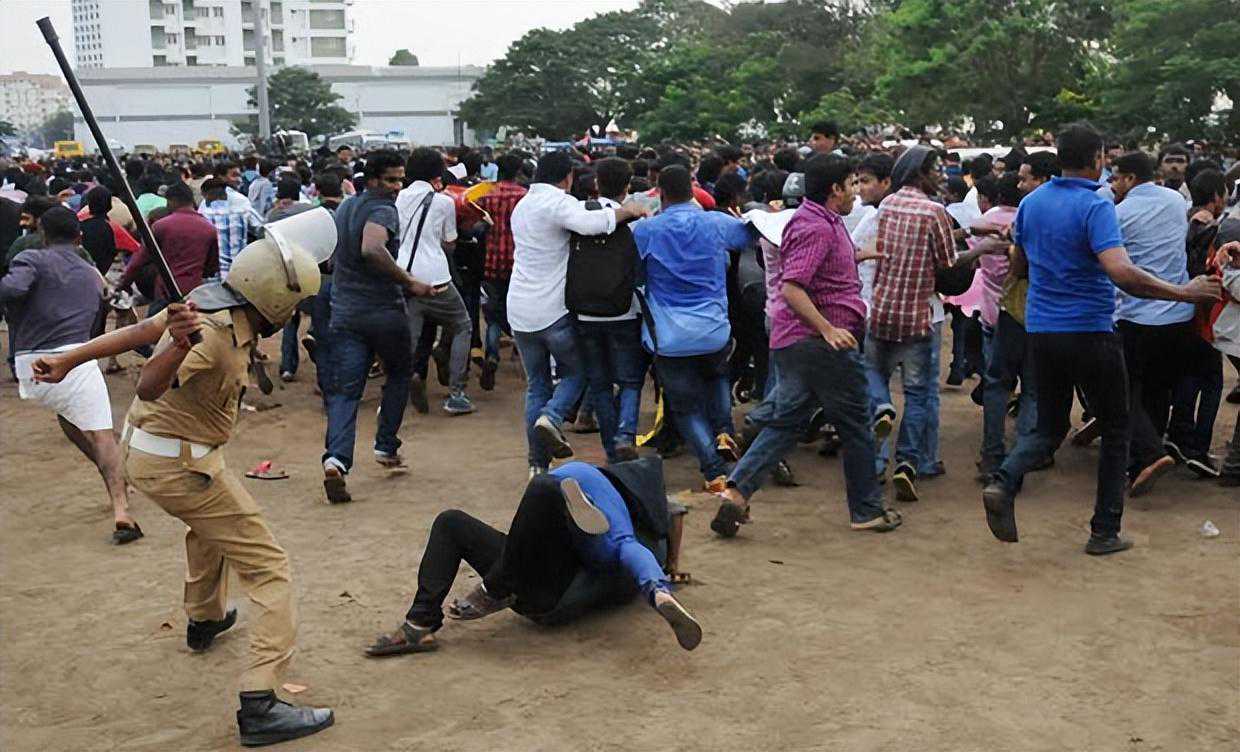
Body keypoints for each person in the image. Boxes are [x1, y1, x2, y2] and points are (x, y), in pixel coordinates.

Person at [29, 229, 336, 747]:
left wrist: (70, 359)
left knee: (211, 524)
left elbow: (138, 330)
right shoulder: (208, 335)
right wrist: (175, 346)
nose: (294, 312)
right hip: (179, 464)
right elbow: (148, 384)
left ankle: (204, 617)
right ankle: (260, 702)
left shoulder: (208, 302)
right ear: (274, 297)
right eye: (294, 303)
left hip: (154, 451)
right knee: (270, 568)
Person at [981, 122, 1222, 555]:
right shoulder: (1097, 205)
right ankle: (1104, 530)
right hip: (1090, 330)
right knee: (1116, 427)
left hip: (1042, 330)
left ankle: (1004, 480)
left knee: (1049, 428)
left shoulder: (1032, 202)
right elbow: (1121, 272)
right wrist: (1183, 292)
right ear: (1097, 159)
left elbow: (1020, 261)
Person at [713, 155, 903, 536]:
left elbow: (819, 270)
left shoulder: (823, 222)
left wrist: (859, 256)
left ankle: (736, 494)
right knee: (856, 425)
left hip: (803, 342)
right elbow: (793, 287)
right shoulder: (815, 226)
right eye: (851, 184)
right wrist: (827, 329)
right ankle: (866, 510)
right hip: (818, 344)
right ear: (834, 189)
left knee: (787, 423)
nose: (855, 192)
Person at [363, 458, 701, 657]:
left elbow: (647, 536)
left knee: (543, 491)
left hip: (552, 592)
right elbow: (672, 516)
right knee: (454, 521)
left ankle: (488, 591)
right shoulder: (647, 517)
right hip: (550, 574)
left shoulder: (625, 520)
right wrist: (662, 584)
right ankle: (423, 623)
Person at [0, 207, 140, 544]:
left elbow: (12, 290)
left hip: (32, 364)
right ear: (79, 237)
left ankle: (114, 478)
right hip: (75, 358)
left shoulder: (31, 259)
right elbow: (107, 304)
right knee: (103, 436)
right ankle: (121, 509)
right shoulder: (91, 273)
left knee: (69, 417)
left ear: (43, 234)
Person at [507, 150, 645, 475]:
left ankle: (537, 465)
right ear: (567, 177)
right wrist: (629, 211)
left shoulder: (523, 205)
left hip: (520, 310)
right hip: (552, 310)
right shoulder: (558, 202)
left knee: (537, 386)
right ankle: (553, 416)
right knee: (578, 374)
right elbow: (593, 223)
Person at [321, 150, 435, 503]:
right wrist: (409, 281)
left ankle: (336, 460)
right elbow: (372, 248)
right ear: (372, 180)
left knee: (346, 392)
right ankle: (386, 445)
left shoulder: (345, 208)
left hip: (345, 312)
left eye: (400, 179)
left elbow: (333, 254)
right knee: (399, 374)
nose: (397, 187)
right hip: (384, 312)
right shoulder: (383, 209)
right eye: (390, 180)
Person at [633, 165, 754, 491]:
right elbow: (749, 236)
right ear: (693, 190)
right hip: (713, 328)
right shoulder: (715, 222)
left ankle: (713, 471)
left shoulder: (647, 230)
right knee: (717, 378)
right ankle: (724, 431)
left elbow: (634, 271)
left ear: (660, 192)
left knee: (685, 408)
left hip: (669, 335)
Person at [866, 146, 957, 502]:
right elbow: (947, 263)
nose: (941, 176)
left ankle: (877, 458)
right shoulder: (935, 212)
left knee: (873, 376)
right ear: (919, 172)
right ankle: (907, 463)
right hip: (917, 317)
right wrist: (980, 250)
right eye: (936, 170)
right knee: (918, 394)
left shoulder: (886, 205)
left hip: (882, 310)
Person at [1107, 151, 1198, 492]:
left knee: (1123, 392)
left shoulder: (1118, 214)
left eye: (1116, 178)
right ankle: (1148, 458)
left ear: (1130, 178)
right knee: (1157, 388)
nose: (1113, 184)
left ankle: (1147, 456)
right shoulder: (1176, 201)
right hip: (1178, 313)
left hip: (1137, 315)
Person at [574, 157, 648, 463]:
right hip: (624, 310)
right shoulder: (637, 220)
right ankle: (625, 435)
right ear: (628, 186)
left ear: (596, 183)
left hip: (585, 310)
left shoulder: (580, 214)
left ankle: (610, 449)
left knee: (600, 382)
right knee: (630, 380)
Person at [396, 147, 476, 415]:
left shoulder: (398, 197)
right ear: (437, 174)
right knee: (463, 325)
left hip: (404, 276)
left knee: (410, 337)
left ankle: (405, 381)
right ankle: (456, 394)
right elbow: (450, 242)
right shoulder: (443, 202)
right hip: (436, 277)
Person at [474, 153, 527, 390]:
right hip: (518, 263)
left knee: (493, 314)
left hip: (491, 261)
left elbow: (476, 225)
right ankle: (523, 356)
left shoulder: (486, 195)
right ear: (519, 171)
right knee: (518, 311)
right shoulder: (524, 197)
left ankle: (492, 354)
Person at [199, 177, 248, 279]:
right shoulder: (244, 209)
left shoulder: (203, 215)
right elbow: (261, 227)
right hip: (241, 271)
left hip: (215, 274)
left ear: (207, 195)